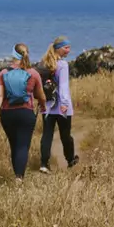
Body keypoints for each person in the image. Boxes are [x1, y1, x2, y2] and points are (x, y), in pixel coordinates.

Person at [0, 45, 43, 178]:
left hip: (7, 114)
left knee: (14, 145)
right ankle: (19, 178)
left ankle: (17, 174)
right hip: (26, 113)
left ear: (13, 55)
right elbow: (40, 95)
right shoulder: (33, 73)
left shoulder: (3, 73)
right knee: (23, 146)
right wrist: (44, 105)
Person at [36, 37, 76, 172]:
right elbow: (63, 86)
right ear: (58, 48)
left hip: (47, 106)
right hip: (61, 107)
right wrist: (64, 103)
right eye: (66, 47)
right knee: (66, 135)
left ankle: (43, 163)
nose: (68, 50)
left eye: (69, 47)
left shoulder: (44, 63)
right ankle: (70, 160)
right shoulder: (63, 65)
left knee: (47, 135)